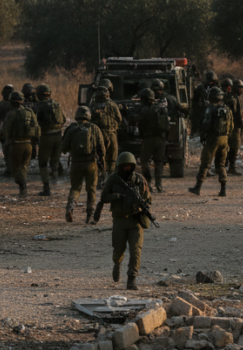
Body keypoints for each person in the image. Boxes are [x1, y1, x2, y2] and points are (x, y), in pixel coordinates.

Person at [93, 151, 152, 291]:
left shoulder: (140, 180)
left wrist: (142, 205)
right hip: (119, 220)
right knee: (118, 249)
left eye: (129, 166)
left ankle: (132, 279)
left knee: (136, 251)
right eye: (124, 166)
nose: (127, 169)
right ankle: (117, 263)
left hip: (135, 220)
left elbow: (148, 199)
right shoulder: (113, 179)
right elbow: (104, 197)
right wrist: (116, 196)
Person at [63, 106, 105, 223]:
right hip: (91, 163)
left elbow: (64, 147)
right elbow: (101, 148)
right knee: (91, 189)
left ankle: (70, 208)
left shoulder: (72, 129)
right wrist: (102, 164)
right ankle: (90, 215)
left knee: (75, 188)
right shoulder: (94, 128)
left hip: (76, 163)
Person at [189, 87, 231, 197]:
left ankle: (197, 187)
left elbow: (206, 124)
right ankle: (223, 188)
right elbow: (231, 126)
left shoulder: (210, 109)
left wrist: (203, 135)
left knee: (205, 163)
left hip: (213, 139)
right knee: (221, 164)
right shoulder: (227, 109)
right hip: (224, 139)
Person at [2, 90, 40, 197]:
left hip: (16, 144)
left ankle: (22, 186)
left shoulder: (12, 113)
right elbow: (36, 128)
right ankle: (23, 188)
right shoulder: (30, 112)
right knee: (24, 167)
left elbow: (6, 130)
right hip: (28, 144)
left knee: (15, 167)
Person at [135, 89, 171, 193]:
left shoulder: (145, 110)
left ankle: (148, 181)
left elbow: (140, 124)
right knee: (159, 161)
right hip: (161, 139)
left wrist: (142, 136)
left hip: (149, 139)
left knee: (144, 161)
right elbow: (167, 125)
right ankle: (159, 185)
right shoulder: (162, 108)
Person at [33, 84, 67, 195]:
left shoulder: (39, 105)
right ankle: (56, 186)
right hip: (58, 136)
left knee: (42, 163)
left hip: (46, 136)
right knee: (55, 162)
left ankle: (47, 189)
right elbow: (64, 119)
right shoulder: (56, 104)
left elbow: (32, 114)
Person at [88, 85, 123, 177]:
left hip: (99, 135)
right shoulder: (113, 105)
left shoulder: (93, 106)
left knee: (100, 156)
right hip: (111, 133)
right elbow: (119, 119)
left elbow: (89, 120)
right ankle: (111, 176)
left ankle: (101, 177)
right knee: (113, 157)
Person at [225, 79, 243, 176]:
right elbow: (236, 115)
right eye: (240, 88)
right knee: (234, 148)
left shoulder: (231, 98)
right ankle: (231, 167)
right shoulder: (233, 99)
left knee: (229, 148)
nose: (241, 90)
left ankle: (226, 167)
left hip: (231, 127)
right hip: (234, 127)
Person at [189, 70, 219, 136]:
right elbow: (195, 104)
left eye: (213, 82)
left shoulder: (218, 89)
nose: (212, 84)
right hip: (201, 113)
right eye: (211, 82)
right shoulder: (200, 89)